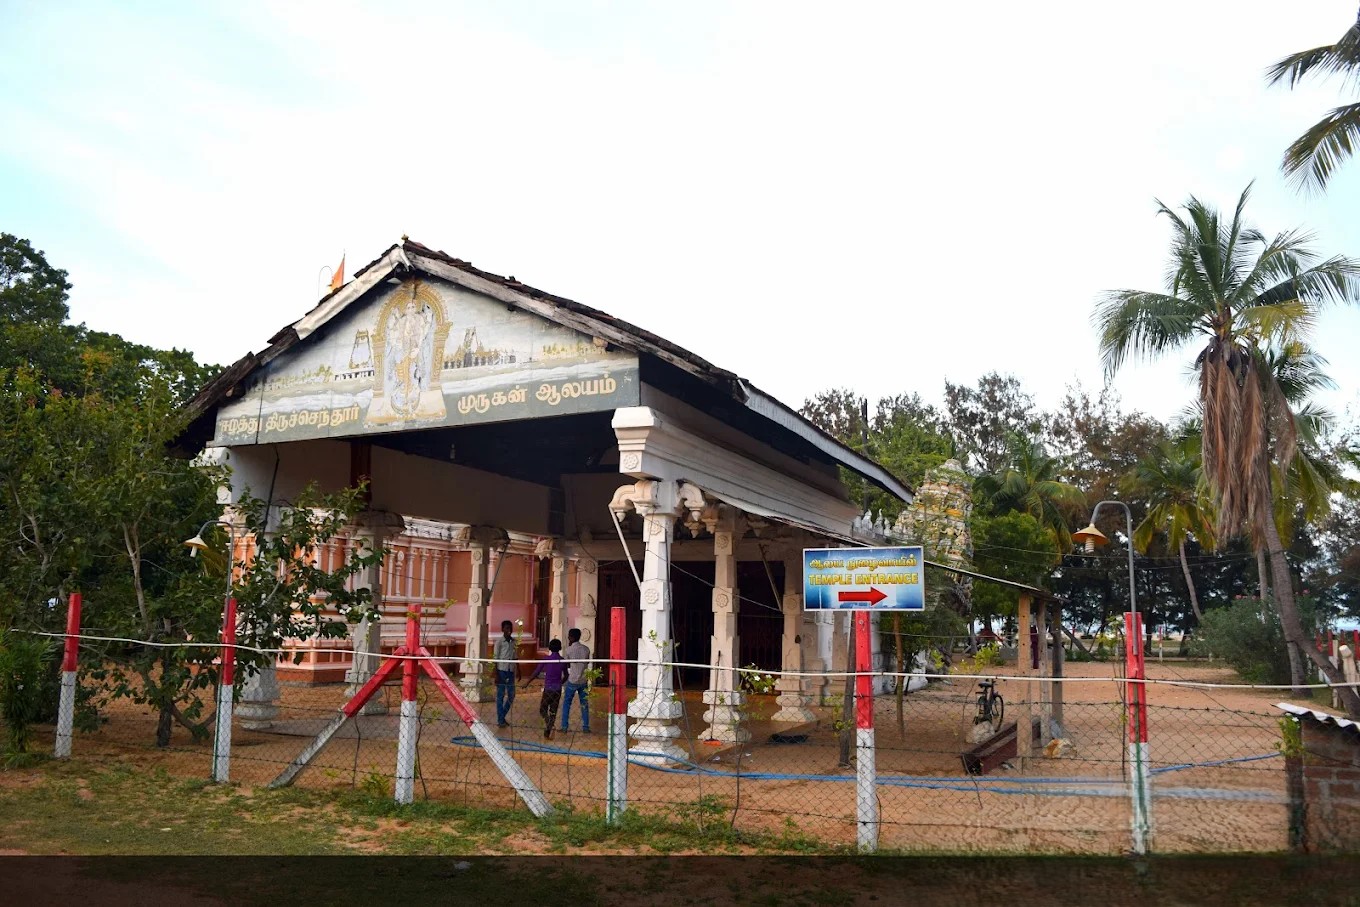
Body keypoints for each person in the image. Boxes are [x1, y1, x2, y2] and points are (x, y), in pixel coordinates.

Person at [523, 638, 567, 739]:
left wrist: (527, 682)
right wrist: (560, 683)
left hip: (548, 689)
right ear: (560, 648)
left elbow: (536, 672)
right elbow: (566, 675)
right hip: (558, 689)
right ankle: (549, 729)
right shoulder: (563, 661)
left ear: (550, 648)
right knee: (553, 711)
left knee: (543, 709)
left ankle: (549, 725)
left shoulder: (546, 659)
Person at [560, 628, 592, 734]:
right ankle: (586, 727)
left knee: (566, 703)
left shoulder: (568, 650)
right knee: (584, 704)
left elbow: (567, 663)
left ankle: (564, 726)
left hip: (572, 680)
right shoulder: (586, 649)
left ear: (571, 637)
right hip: (583, 679)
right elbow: (587, 662)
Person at [494, 620, 517, 728]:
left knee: (512, 695)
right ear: (502, 629)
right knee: (500, 696)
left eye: (510, 628)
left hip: (511, 671)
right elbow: (495, 658)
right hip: (501, 670)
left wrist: (519, 670)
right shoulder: (499, 642)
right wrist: (496, 674)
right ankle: (500, 719)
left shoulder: (513, 642)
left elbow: (515, 657)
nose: (509, 630)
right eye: (507, 628)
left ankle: (502, 716)